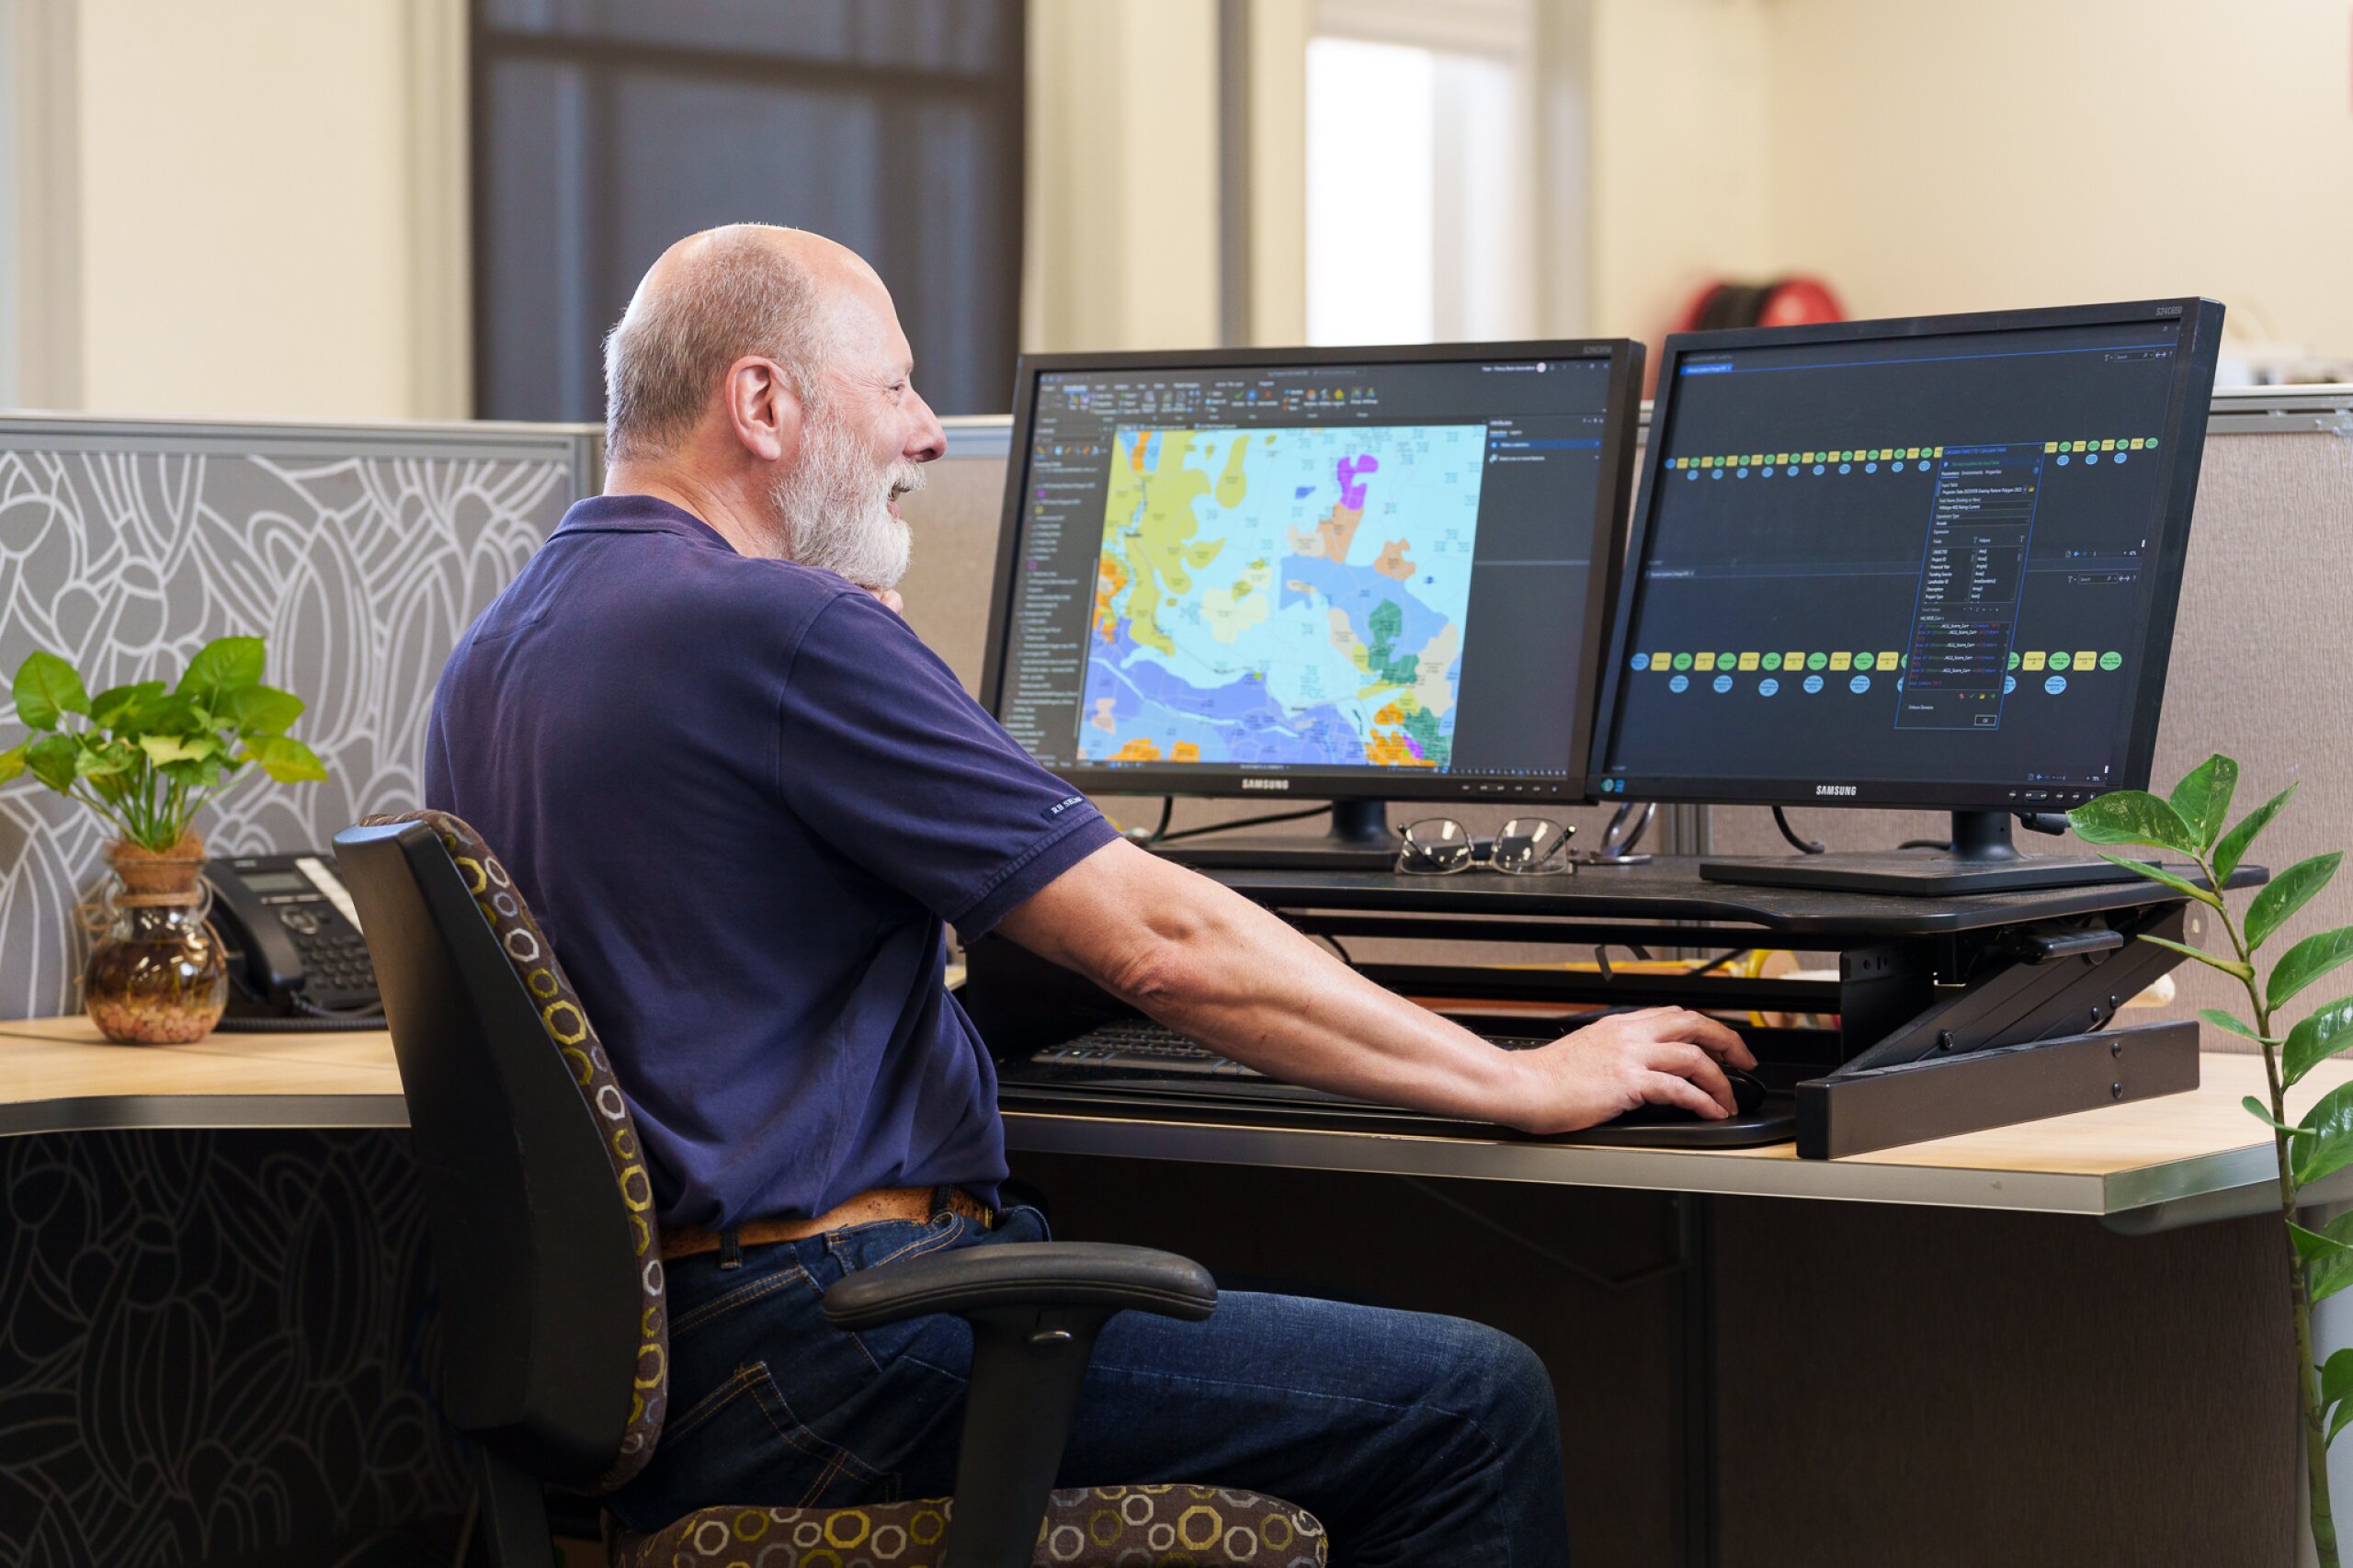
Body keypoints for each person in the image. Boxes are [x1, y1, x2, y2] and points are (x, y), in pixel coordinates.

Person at [426, 223, 1755, 1567]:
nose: (932, 433)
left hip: (648, 1379)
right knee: (1475, 1404)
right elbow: (1162, 943)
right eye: (893, 386)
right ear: (763, 402)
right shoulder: (780, 631)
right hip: (844, 1345)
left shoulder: (495, 654)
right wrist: (1516, 1073)